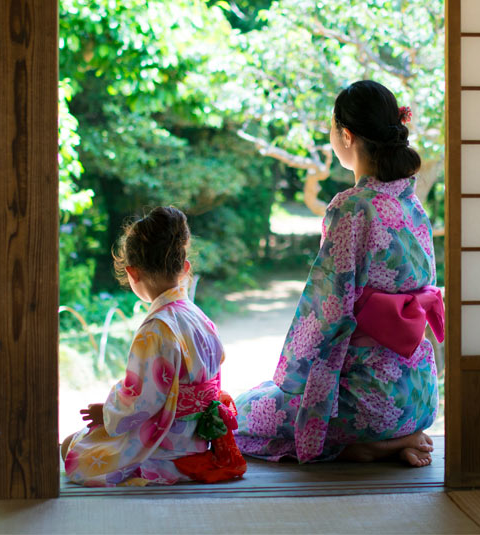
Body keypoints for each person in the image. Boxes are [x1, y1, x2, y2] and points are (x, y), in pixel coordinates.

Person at [234, 80, 444, 467]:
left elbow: (326, 310)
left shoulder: (351, 208)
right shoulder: (412, 204)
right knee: (268, 401)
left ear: (345, 135)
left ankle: (368, 446)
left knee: (244, 415)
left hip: (370, 402)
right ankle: (399, 438)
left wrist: (290, 380)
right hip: (418, 395)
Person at [61, 206, 246, 486]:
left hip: (164, 450)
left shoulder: (156, 329)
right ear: (184, 268)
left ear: (132, 273)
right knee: (78, 444)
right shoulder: (200, 318)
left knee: (70, 448)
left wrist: (108, 413)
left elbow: (141, 402)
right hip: (196, 443)